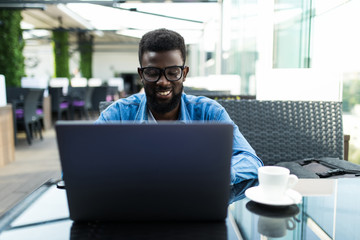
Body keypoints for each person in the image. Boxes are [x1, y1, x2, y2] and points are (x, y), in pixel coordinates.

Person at [96, 28, 263, 184]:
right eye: (153, 73)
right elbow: (87, 157)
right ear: (142, 74)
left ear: (184, 74)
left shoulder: (209, 112)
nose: (163, 81)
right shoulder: (118, 114)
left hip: (195, 205)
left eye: (173, 72)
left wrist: (215, 174)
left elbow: (250, 160)